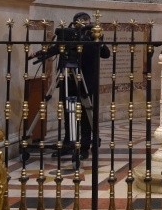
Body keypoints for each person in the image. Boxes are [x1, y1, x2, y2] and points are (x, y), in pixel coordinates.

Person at [33, 12, 110, 160]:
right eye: (80, 23)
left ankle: (85, 146)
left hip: (87, 80)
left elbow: (105, 54)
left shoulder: (93, 34)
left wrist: (97, 39)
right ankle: (69, 143)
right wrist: (39, 54)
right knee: (69, 111)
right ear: (74, 24)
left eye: (86, 22)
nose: (83, 25)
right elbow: (56, 49)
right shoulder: (68, 35)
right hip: (68, 77)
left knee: (87, 114)